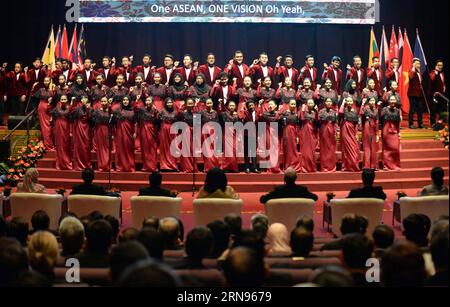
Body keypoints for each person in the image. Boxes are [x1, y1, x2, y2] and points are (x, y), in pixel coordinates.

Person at [136, 97, 159, 173]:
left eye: (149, 100)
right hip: (144, 130)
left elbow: (157, 122)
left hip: (152, 131)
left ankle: (153, 166)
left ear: (152, 102)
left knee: (152, 148)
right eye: (146, 100)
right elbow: (135, 112)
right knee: (145, 148)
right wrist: (136, 100)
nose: (148, 102)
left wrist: (156, 113)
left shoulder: (155, 110)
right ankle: (146, 166)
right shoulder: (141, 110)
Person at [51, 94, 72, 170]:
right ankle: (59, 163)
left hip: (66, 127)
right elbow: (52, 117)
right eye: (62, 99)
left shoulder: (70, 108)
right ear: (60, 101)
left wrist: (71, 131)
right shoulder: (56, 109)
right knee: (59, 145)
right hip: (58, 127)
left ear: (67, 100)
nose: (63, 101)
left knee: (65, 145)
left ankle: (66, 162)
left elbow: (71, 121)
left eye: (64, 99)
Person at [71, 95, 92, 171]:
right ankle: (78, 165)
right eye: (83, 98)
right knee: (79, 146)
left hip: (87, 128)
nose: (84, 99)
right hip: (79, 128)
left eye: (85, 98)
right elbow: (71, 116)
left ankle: (87, 164)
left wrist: (88, 109)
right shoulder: (77, 109)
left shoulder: (90, 109)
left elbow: (91, 119)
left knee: (86, 146)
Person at [339, 97, 360, 172]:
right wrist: (343, 102)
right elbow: (340, 112)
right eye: (348, 101)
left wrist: (356, 133)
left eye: (351, 101)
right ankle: (346, 166)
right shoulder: (344, 110)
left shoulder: (355, 111)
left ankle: (353, 165)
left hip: (352, 131)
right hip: (345, 129)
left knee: (353, 148)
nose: (349, 103)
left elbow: (356, 124)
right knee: (346, 148)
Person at [259, 100, 281, 174]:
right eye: (269, 105)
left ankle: (276, 167)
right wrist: (260, 106)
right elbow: (259, 118)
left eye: (272, 104)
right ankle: (269, 167)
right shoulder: (265, 114)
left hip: (275, 132)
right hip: (267, 132)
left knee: (275, 150)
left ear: (275, 106)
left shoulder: (278, 114)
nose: (270, 106)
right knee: (268, 149)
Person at [381, 95, 402, 171]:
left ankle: (395, 164)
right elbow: (381, 121)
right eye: (391, 99)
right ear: (388, 101)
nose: (393, 101)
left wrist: (399, 132)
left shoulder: (397, 110)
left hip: (395, 130)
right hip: (386, 130)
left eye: (394, 100)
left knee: (396, 148)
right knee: (387, 148)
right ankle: (386, 165)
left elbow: (398, 123)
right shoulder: (384, 110)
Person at [33, 76, 54, 149]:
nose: (46, 82)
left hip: (50, 109)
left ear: (50, 81)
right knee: (45, 127)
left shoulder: (53, 90)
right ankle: (47, 145)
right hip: (42, 108)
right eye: (45, 81)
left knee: (49, 127)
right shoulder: (41, 90)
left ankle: (50, 143)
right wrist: (33, 87)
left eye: (47, 81)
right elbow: (33, 98)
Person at [178, 98, 198, 173]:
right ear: (186, 104)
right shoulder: (182, 113)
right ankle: (186, 167)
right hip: (185, 133)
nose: (190, 105)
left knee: (192, 151)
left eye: (191, 103)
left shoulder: (196, 113)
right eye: (189, 103)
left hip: (193, 133)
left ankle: (193, 167)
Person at [280, 99, 301, 172]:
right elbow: (281, 123)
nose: (293, 105)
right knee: (288, 149)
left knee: (294, 149)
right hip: (287, 131)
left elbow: (297, 126)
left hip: (294, 132)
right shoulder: (284, 113)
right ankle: (287, 165)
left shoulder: (296, 114)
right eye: (292, 104)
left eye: (294, 104)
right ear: (288, 104)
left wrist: (298, 136)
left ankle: (294, 164)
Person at [158, 97, 179, 172]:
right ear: (165, 103)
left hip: (173, 131)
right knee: (164, 148)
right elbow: (158, 122)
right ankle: (164, 165)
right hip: (164, 130)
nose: (169, 104)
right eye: (168, 102)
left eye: (170, 102)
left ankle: (173, 165)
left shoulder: (176, 112)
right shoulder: (162, 111)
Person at [200, 98, 221, 172]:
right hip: (205, 133)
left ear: (212, 103)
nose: (209, 104)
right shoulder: (202, 112)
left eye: (210, 103)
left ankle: (214, 167)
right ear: (205, 104)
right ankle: (207, 167)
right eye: (207, 103)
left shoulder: (215, 112)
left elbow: (217, 123)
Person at [319, 98, 338, 172]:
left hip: (332, 131)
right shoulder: (321, 112)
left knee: (331, 148)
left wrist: (336, 132)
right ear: (325, 103)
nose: (329, 103)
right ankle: (324, 167)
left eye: (330, 101)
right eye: (327, 101)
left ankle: (331, 167)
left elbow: (335, 123)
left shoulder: (333, 112)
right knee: (324, 149)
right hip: (324, 130)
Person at [240, 100, 260, 173]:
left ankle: (254, 168)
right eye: (250, 106)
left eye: (252, 105)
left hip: (254, 134)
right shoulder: (245, 113)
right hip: (246, 134)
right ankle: (247, 167)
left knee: (253, 152)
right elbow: (241, 118)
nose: (251, 106)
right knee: (246, 152)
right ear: (247, 107)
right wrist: (243, 110)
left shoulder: (257, 113)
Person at [300, 99, 318, 173]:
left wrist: (317, 112)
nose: (310, 104)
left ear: (313, 104)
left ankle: (311, 167)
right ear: (307, 104)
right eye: (309, 103)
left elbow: (317, 121)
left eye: (311, 103)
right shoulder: (304, 112)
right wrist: (303, 110)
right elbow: (302, 118)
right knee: (305, 150)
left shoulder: (314, 112)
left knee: (311, 150)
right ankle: (305, 167)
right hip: (305, 132)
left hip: (312, 132)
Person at [361, 97, 379, 170]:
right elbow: (361, 114)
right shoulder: (365, 109)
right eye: (371, 100)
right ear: (368, 102)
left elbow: (377, 121)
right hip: (367, 126)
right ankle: (367, 165)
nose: (372, 102)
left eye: (373, 100)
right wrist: (363, 104)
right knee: (367, 146)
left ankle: (373, 165)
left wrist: (377, 133)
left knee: (373, 147)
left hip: (374, 127)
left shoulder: (376, 110)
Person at [221, 101, 239, 173]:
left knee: (234, 150)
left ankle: (234, 167)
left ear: (235, 107)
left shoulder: (237, 115)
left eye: (233, 105)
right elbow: (220, 111)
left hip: (234, 132)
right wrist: (220, 104)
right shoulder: (225, 114)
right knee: (228, 151)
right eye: (230, 105)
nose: (231, 107)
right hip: (227, 132)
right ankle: (226, 167)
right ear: (228, 107)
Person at [408, 58, 425, 129]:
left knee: (420, 109)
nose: (419, 65)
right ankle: (411, 124)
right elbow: (411, 76)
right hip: (412, 94)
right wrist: (413, 68)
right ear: (413, 64)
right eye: (417, 63)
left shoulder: (419, 72)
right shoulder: (411, 71)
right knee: (412, 109)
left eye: (419, 63)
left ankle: (420, 124)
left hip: (419, 94)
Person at [429, 60, 446, 126]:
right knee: (433, 109)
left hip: (441, 95)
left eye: (441, 65)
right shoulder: (432, 72)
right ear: (436, 65)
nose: (440, 67)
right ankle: (433, 123)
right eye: (439, 65)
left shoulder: (442, 74)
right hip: (434, 95)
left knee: (441, 109)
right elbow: (432, 79)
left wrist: (444, 86)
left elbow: (442, 82)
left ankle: (440, 123)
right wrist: (436, 72)